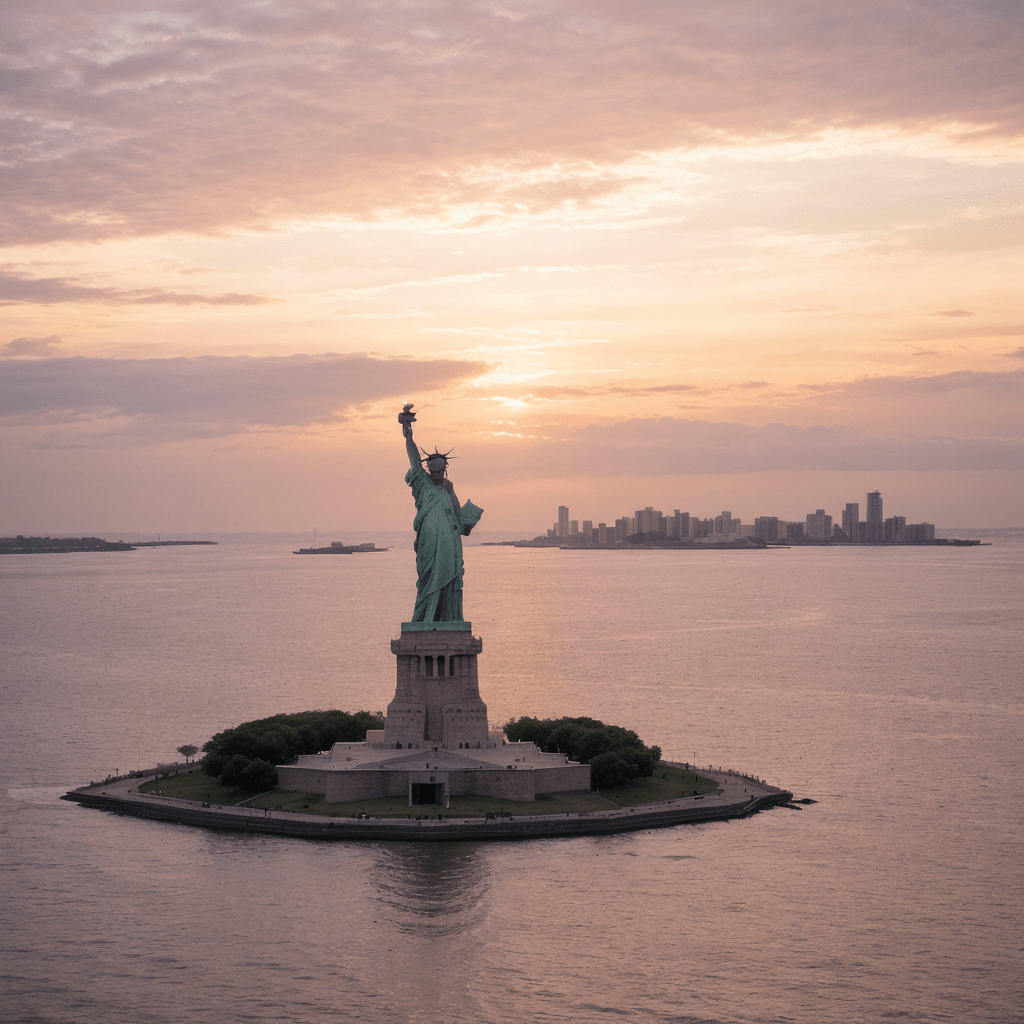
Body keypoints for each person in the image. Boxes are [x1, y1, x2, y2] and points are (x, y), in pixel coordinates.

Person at [402, 416, 482, 622]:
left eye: (439, 471)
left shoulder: (448, 488)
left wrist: (456, 498)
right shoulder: (422, 483)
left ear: (444, 469)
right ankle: (423, 619)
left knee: (449, 576)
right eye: (433, 471)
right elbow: (413, 458)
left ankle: (448, 617)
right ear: (428, 469)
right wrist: (409, 436)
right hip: (429, 539)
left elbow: (458, 518)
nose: (436, 474)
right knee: (427, 577)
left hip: (449, 542)